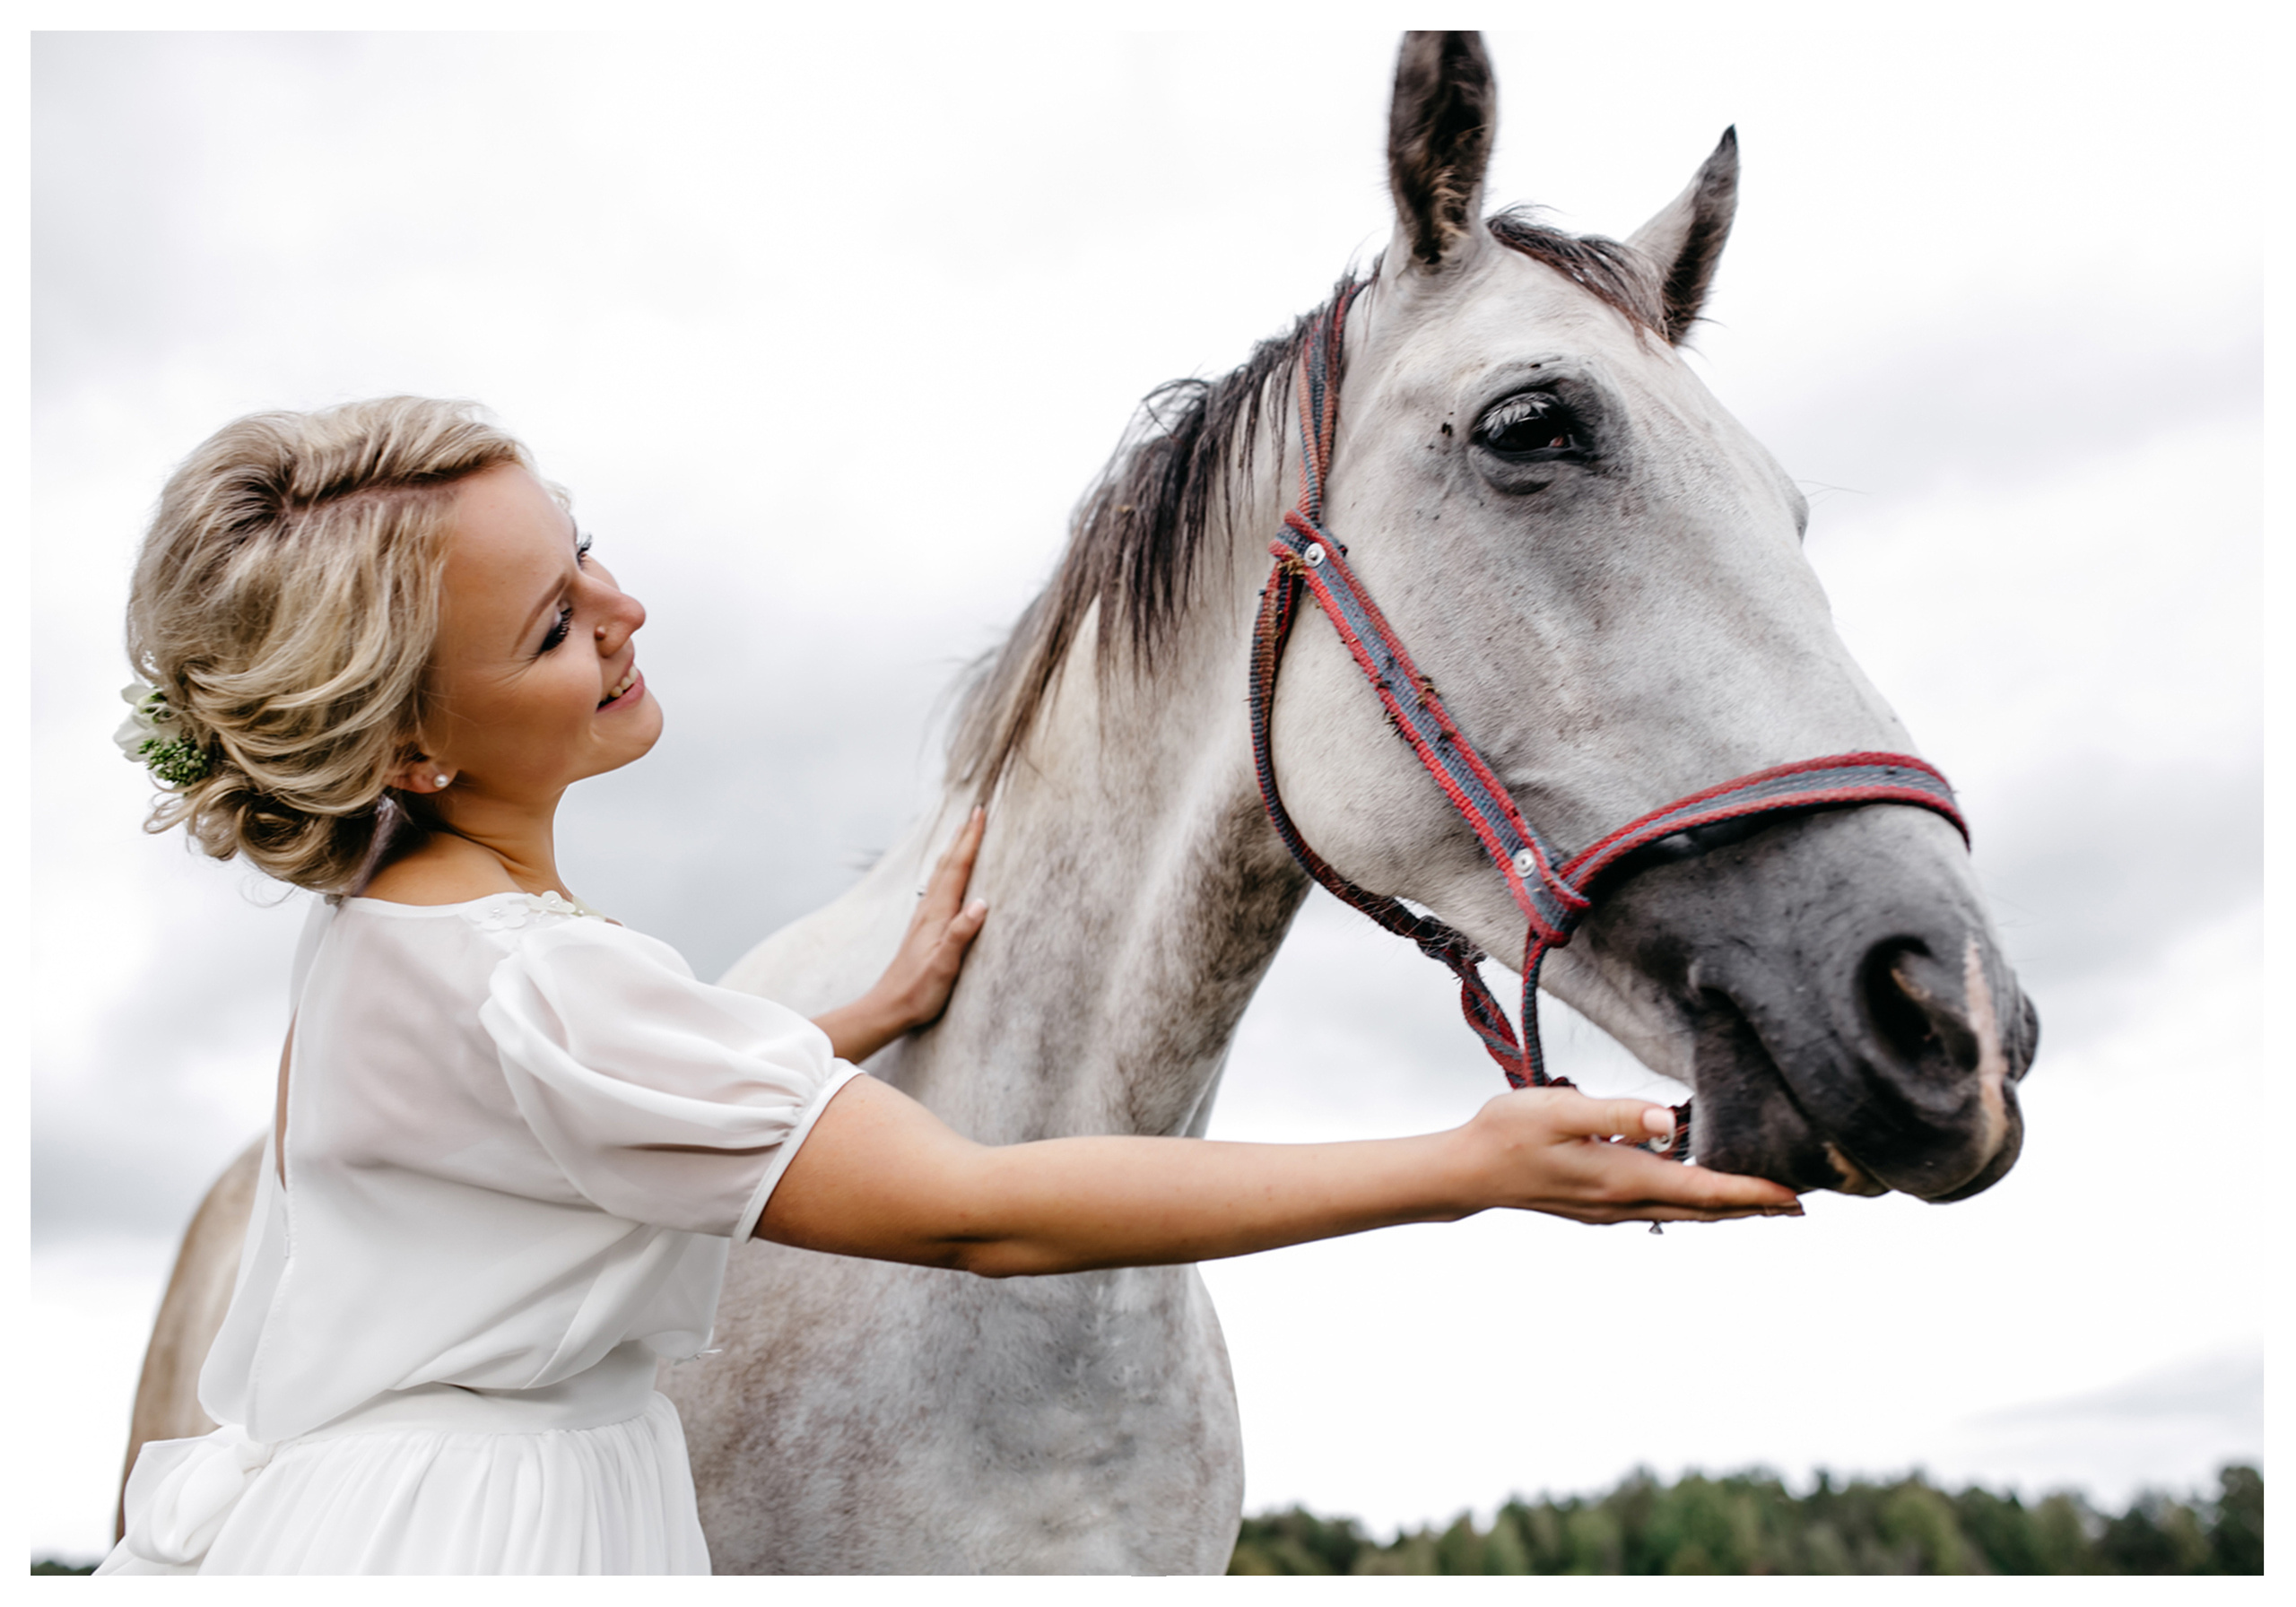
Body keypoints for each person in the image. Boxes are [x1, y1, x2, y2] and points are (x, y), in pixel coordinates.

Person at [96, 397, 1802, 1576]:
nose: (629, 608)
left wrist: (835, 1021)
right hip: (501, 1544)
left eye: (589, 549)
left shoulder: (383, 940)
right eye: (552, 626)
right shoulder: (553, 998)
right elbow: (980, 1215)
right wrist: (1465, 1168)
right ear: (403, 735)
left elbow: (558, 1119)